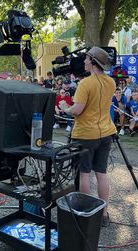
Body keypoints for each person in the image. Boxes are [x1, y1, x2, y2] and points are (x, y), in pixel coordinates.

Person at [61, 47, 116, 227]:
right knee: (101, 173)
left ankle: (85, 214)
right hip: (106, 132)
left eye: (86, 58)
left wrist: (63, 107)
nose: (83, 61)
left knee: (84, 174)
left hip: (86, 135)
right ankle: (104, 215)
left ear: (92, 61)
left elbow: (77, 110)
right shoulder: (111, 82)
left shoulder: (85, 83)